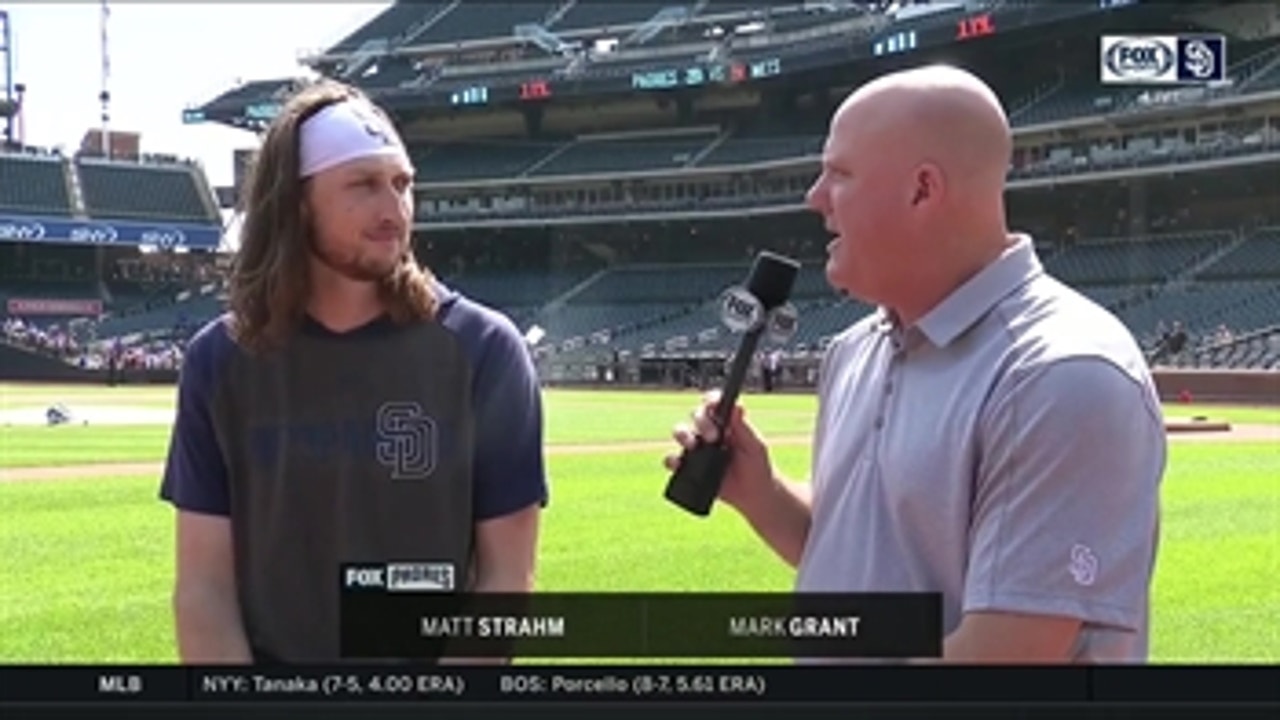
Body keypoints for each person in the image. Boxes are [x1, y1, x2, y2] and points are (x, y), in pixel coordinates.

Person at [664, 65, 1165, 663]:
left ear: (922, 189)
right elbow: (864, 560)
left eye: (839, 174)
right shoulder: (855, 349)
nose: (815, 197)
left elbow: (1006, 657)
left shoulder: (1062, 373)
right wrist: (764, 494)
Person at [159, 80, 547, 663]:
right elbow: (203, 589)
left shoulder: (484, 351)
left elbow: (504, 583)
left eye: (402, 184)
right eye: (363, 185)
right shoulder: (221, 361)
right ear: (296, 201)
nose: (394, 211)